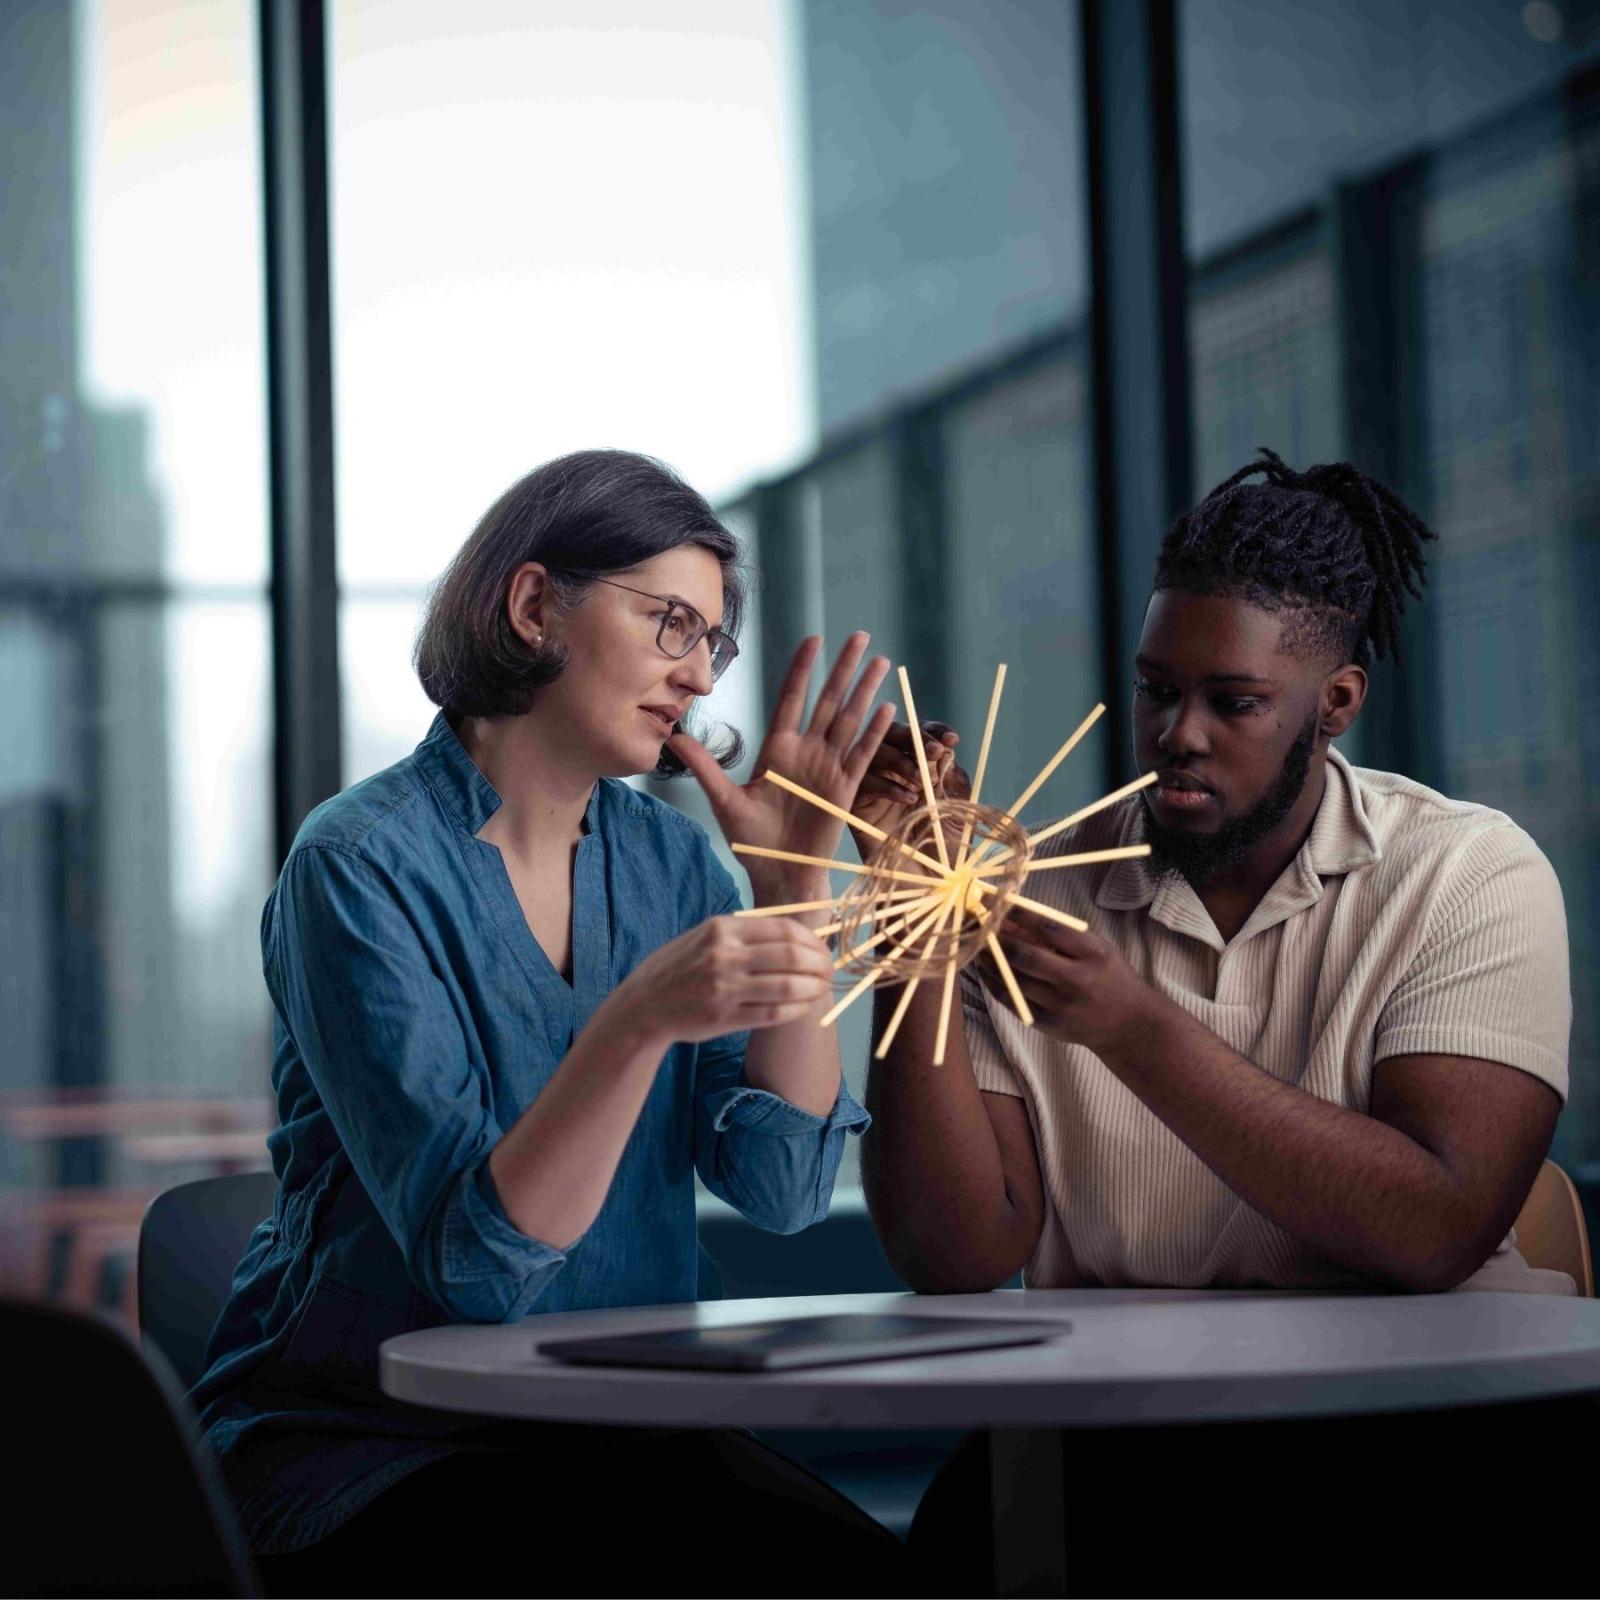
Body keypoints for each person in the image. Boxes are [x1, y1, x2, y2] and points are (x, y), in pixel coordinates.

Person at [853, 450, 1583, 1597]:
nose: (1175, 734)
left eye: (1231, 702)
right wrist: (912, 916)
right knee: (963, 1537)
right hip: (1124, 1443)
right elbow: (954, 1253)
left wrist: (1133, 1027)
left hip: (1426, 1432)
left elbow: (1433, 1228)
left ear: (1333, 703)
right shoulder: (1035, 895)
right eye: (1154, 689)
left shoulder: (1465, 872)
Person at [189, 450, 908, 1598]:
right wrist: (630, 1024)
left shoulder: (674, 862)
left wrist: (786, 889)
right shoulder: (359, 864)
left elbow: (777, 1186)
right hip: (380, 1446)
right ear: (533, 607)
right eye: (671, 623)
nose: (697, 677)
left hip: (625, 1427)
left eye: (710, 645)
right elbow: (479, 1267)